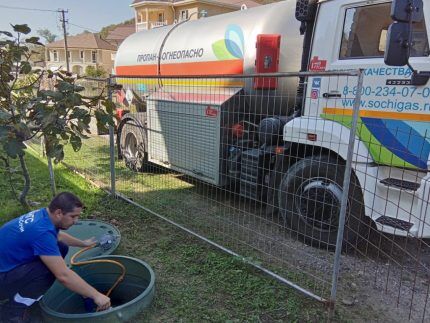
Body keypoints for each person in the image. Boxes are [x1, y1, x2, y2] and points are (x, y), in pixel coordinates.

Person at [0, 192, 111, 322]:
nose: (76, 221)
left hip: (7, 265)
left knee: (61, 247)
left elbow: (58, 236)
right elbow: (63, 276)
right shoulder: (41, 232)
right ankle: (13, 311)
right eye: (73, 216)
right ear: (59, 213)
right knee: (48, 272)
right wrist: (96, 295)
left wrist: (83, 244)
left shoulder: (43, 215)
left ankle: (24, 294)